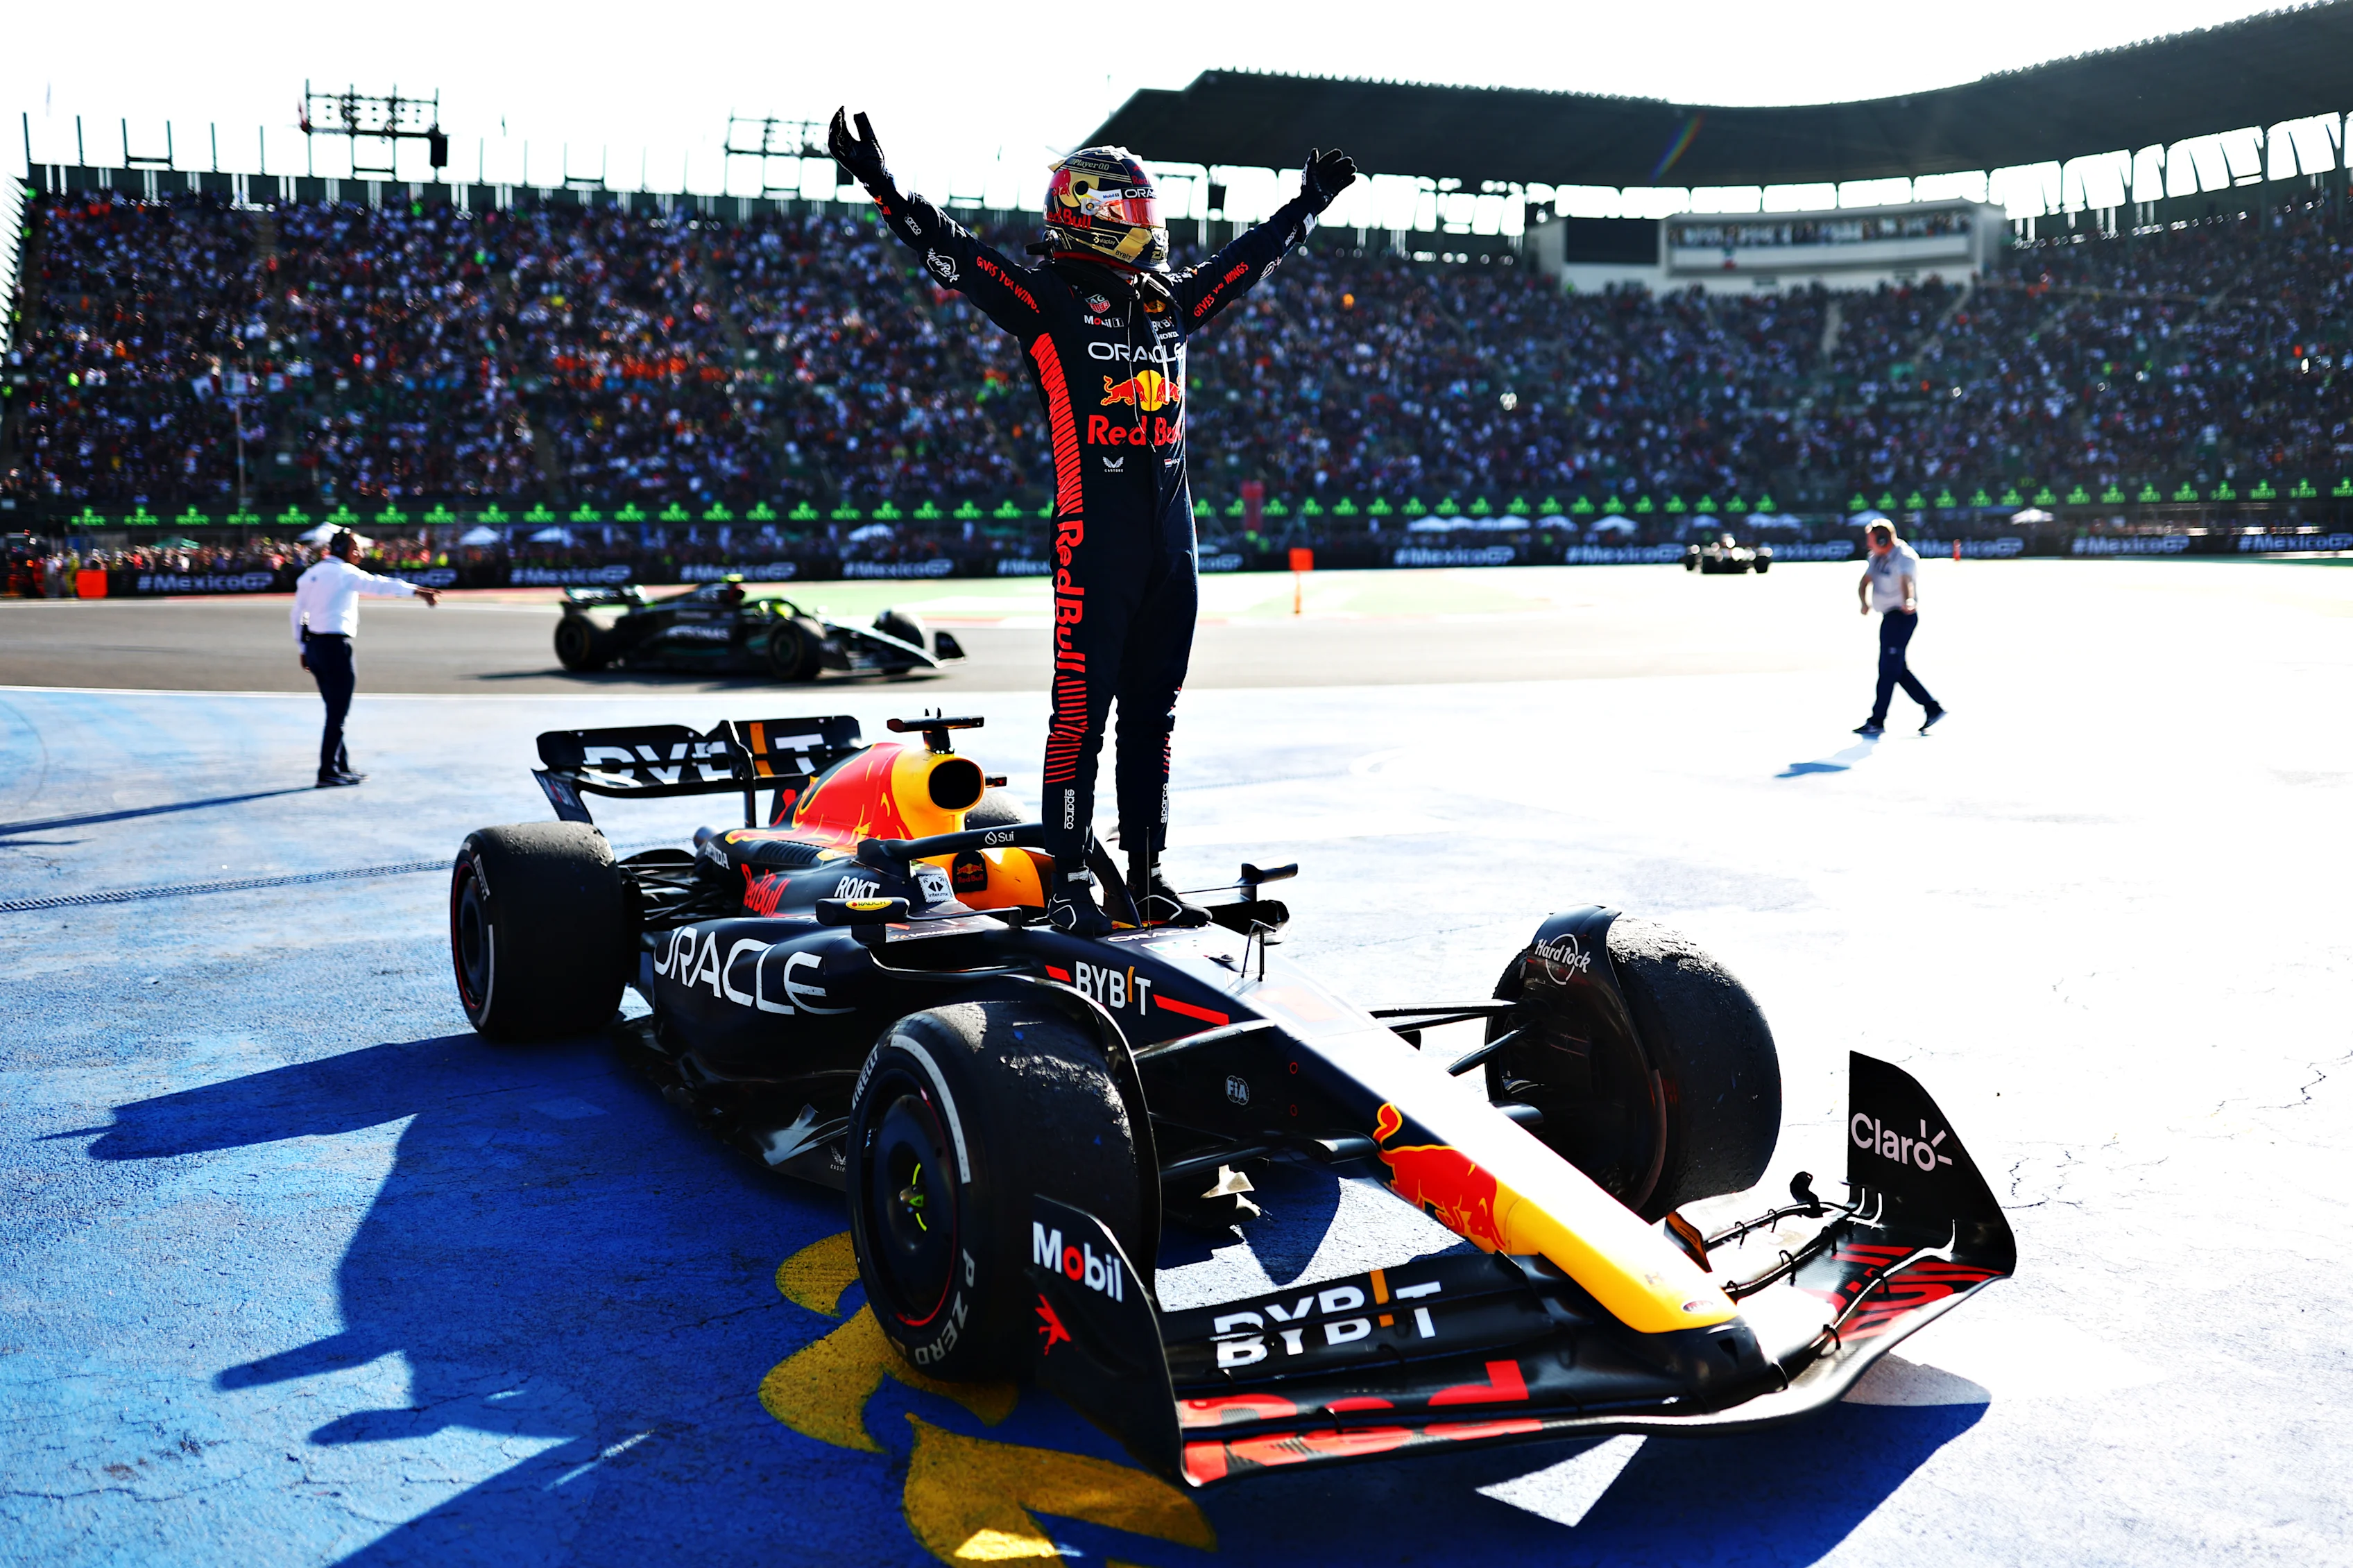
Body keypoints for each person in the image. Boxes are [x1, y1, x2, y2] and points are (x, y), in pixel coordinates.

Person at [828, 108, 1355, 935]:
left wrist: (1306, 205)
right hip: (1093, 542)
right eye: (1135, 211)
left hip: (1173, 547)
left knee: (1154, 716)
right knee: (1079, 715)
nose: (1151, 225)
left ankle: (1145, 876)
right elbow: (954, 253)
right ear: (1094, 217)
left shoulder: (1170, 302)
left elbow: (1245, 262)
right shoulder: (1047, 301)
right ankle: (1067, 882)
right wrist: (881, 185)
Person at [291, 531, 439, 786]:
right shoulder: (345, 573)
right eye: (356, 548)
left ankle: (341, 766)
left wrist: (303, 648)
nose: (360, 554)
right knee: (338, 713)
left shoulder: (310, 574)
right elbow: (380, 584)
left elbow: (297, 615)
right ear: (344, 550)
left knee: (333, 710)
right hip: (335, 647)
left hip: (315, 646)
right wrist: (416, 591)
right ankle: (327, 771)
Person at [1854, 522, 1944, 736]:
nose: (1868, 545)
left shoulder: (1904, 557)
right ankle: (1932, 708)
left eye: (1871, 540)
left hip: (1902, 617)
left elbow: (1906, 581)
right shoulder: (1876, 557)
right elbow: (1864, 582)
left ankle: (1877, 720)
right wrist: (1864, 603)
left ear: (1882, 540)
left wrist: (1908, 600)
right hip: (1889, 617)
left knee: (1888, 669)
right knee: (1896, 669)